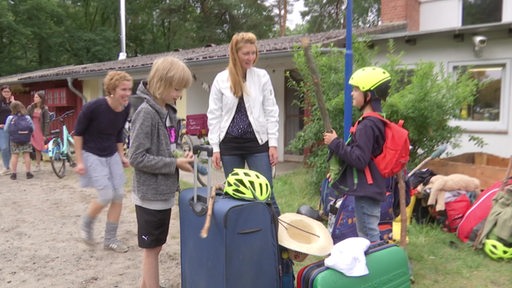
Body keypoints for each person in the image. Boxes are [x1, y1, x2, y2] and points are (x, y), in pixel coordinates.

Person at [128, 56, 194, 288]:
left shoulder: (167, 112)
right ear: (161, 83)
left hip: (163, 193)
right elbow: (136, 157)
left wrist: (179, 158)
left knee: (155, 247)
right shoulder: (146, 113)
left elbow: (167, 148)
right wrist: (173, 165)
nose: (180, 94)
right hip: (150, 196)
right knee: (151, 250)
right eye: (177, 89)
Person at [207, 32, 281, 215]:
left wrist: (273, 144)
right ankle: (245, 239)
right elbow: (214, 115)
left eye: (253, 53)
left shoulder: (262, 76)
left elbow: (271, 111)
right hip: (230, 146)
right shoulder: (220, 80)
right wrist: (215, 147)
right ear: (235, 54)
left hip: (257, 144)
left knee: (266, 195)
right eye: (246, 54)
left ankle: (277, 241)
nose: (251, 58)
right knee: (237, 196)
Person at [323, 66, 391, 243]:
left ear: (369, 95)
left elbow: (359, 159)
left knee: (369, 236)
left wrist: (335, 142)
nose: (352, 94)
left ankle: (378, 268)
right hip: (370, 188)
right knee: (367, 233)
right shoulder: (376, 120)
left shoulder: (368, 125)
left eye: (356, 90)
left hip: (367, 191)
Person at [74, 70, 132, 253]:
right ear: (112, 89)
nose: (127, 93)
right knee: (106, 195)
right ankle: (86, 224)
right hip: (92, 153)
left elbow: (118, 133)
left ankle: (110, 239)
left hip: (111, 154)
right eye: (124, 89)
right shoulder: (94, 107)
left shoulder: (125, 108)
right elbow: (78, 133)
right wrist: (79, 161)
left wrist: (121, 155)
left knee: (119, 195)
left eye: (130, 89)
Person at [4, 100, 34, 180]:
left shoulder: (10, 118)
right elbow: (32, 128)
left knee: (15, 155)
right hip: (26, 139)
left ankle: (14, 173)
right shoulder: (27, 117)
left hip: (14, 139)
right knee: (26, 155)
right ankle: (28, 172)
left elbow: (6, 129)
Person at [27, 90, 50, 172]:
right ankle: (27, 166)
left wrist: (45, 134)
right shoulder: (30, 107)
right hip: (31, 128)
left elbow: (47, 121)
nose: (34, 98)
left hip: (40, 129)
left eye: (36, 97)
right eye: (34, 97)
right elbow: (26, 118)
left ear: (41, 99)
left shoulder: (45, 109)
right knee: (28, 147)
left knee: (38, 148)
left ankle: (38, 164)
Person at [0, 85, 14, 175]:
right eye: (4, 91)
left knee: (11, 148)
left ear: (11, 93)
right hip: (2, 127)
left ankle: (9, 166)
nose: (6, 93)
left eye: (8, 91)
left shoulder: (13, 103)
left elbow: (18, 112)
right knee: (4, 147)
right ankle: (6, 167)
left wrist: (13, 102)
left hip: (13, 127)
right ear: (1, 92)